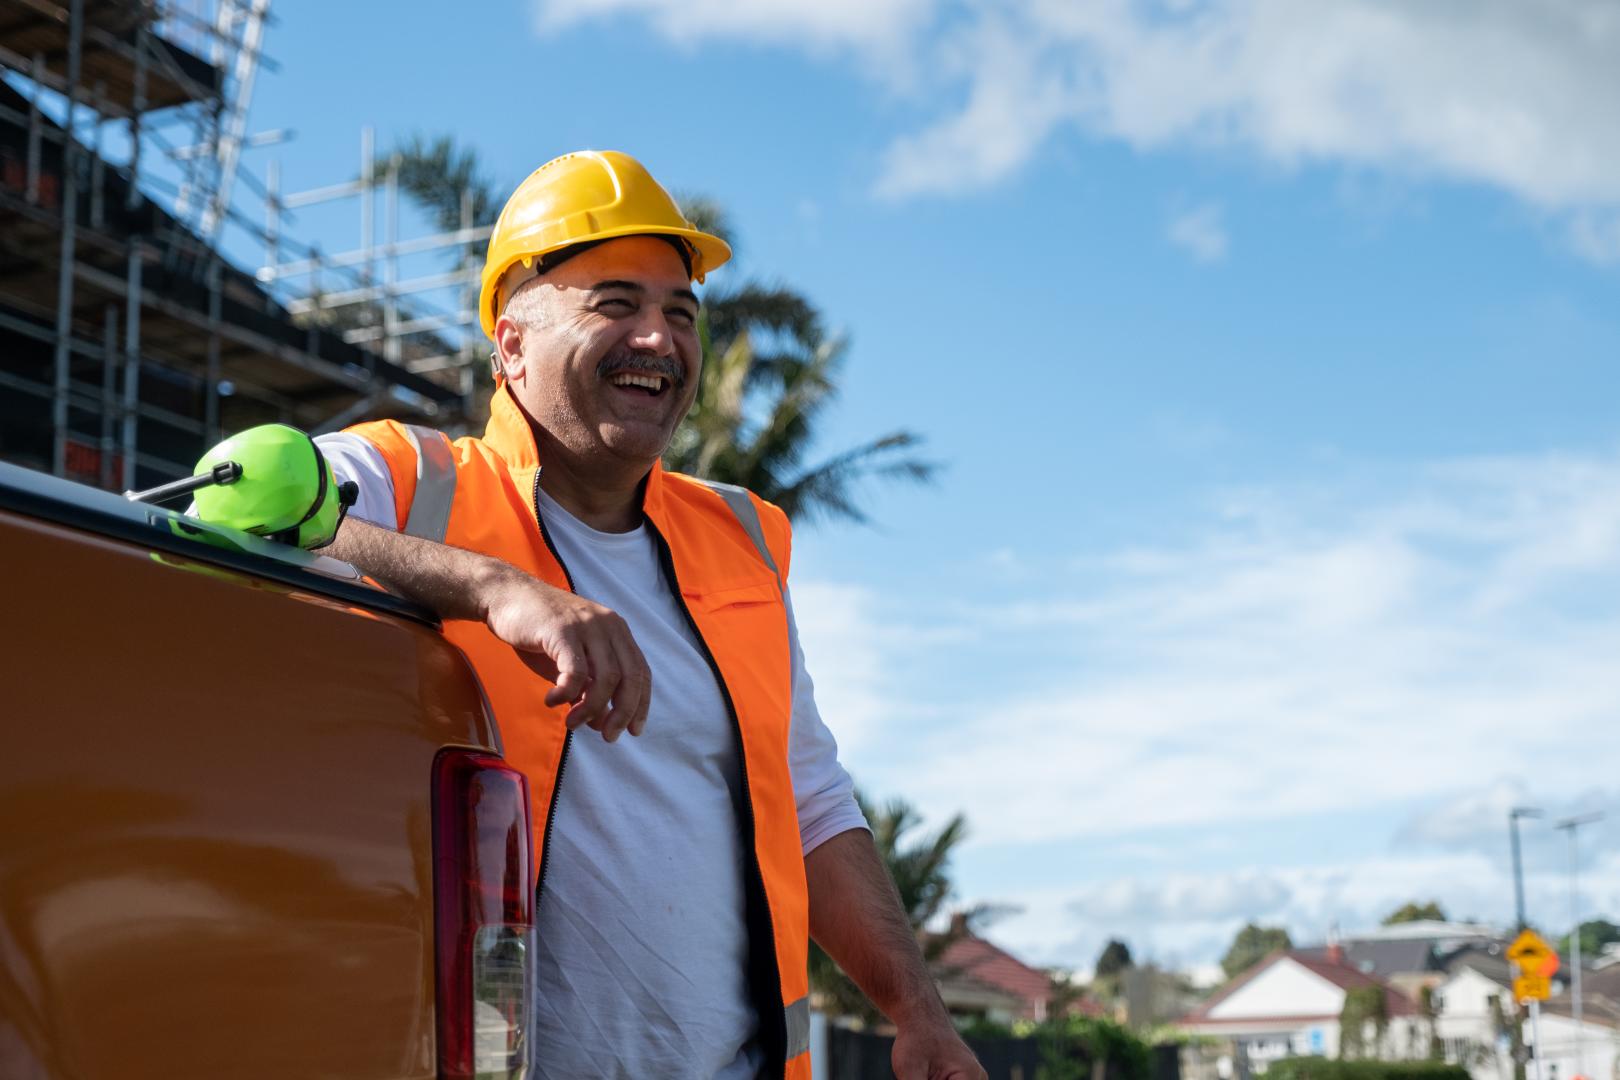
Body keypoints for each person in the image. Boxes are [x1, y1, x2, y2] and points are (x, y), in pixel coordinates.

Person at [317, 150, 984, 1080]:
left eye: (680, 314)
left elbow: (812, 802)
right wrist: (494, 589)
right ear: (510, 343)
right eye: (615, 303)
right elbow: (227, 504)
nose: (658, 339)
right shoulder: (411, 482)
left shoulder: (742, 542)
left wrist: (918, 1010)